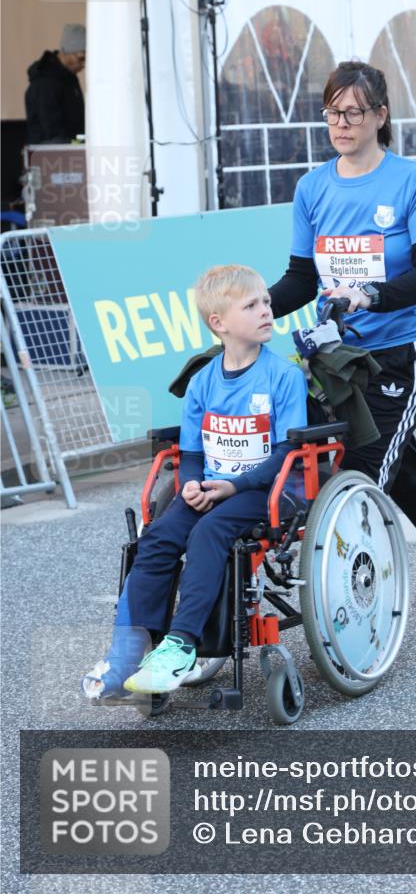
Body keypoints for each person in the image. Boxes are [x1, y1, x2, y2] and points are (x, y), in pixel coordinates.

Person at [269, 60, 416, 607]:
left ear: (380, 116)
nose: (341, 123)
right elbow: (301, 280)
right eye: (332, 112)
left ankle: (351, 601)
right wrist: (255, 307)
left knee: (363, 470)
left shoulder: (411, 179)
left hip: (404, 353)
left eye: (354, 113)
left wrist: (370, 295)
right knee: (394, 461)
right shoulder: (312, 187)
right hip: (339, 358)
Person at [82, 265, 307, 698]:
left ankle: (180, 647)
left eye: (266, 301)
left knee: (208, 532)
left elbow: (285, 453)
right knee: (158, 535)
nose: (266, 310)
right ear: (218, 323)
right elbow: (191, 454)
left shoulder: (284, 376)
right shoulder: (202, 382)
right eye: (251, 305)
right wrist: (189, 484)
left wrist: (234, 487)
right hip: (212, 487)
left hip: (268, 491)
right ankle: (126, 654)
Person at [25, 24, 86, 144]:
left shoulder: (70, 77)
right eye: (81, 58)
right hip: (50, 152)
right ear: (67, 51)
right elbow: (53, 132)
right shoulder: (44, 82)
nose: (84, 65)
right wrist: (76, 145)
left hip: (70, 149)